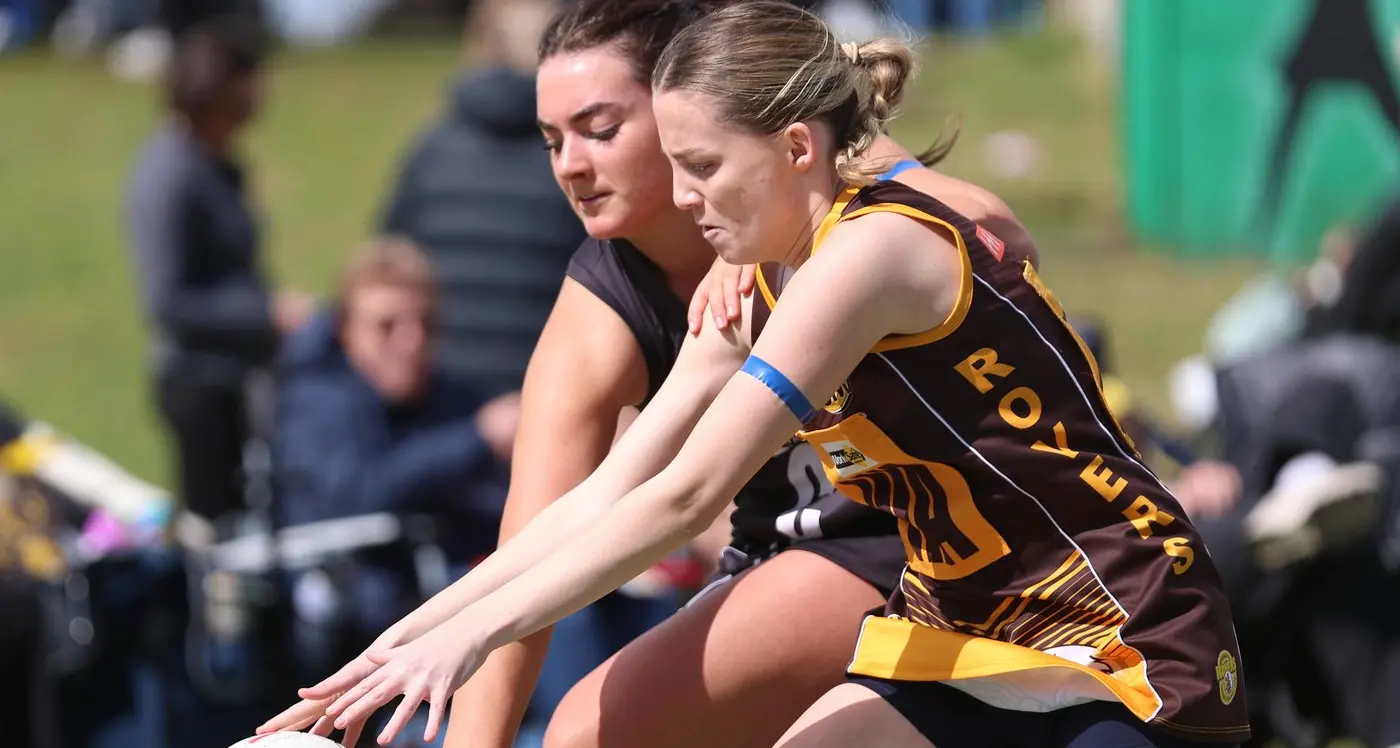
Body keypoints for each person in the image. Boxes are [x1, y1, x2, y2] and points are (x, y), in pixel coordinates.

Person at [274, 238, 517, 667]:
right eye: (387, 326)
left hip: (451, 594)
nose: (412, 341)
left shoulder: (451, 395)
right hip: (360, 623)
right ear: (346, 331)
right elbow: (360, 492)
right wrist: (478, 438)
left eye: (425, 323)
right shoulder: (317, 402)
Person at [126, 15, 315, 526]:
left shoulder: (216, 164)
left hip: (239, 374)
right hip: (199, 382)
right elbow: (167, 301)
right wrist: (267, 313)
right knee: (215, 523)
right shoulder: (169, 176)